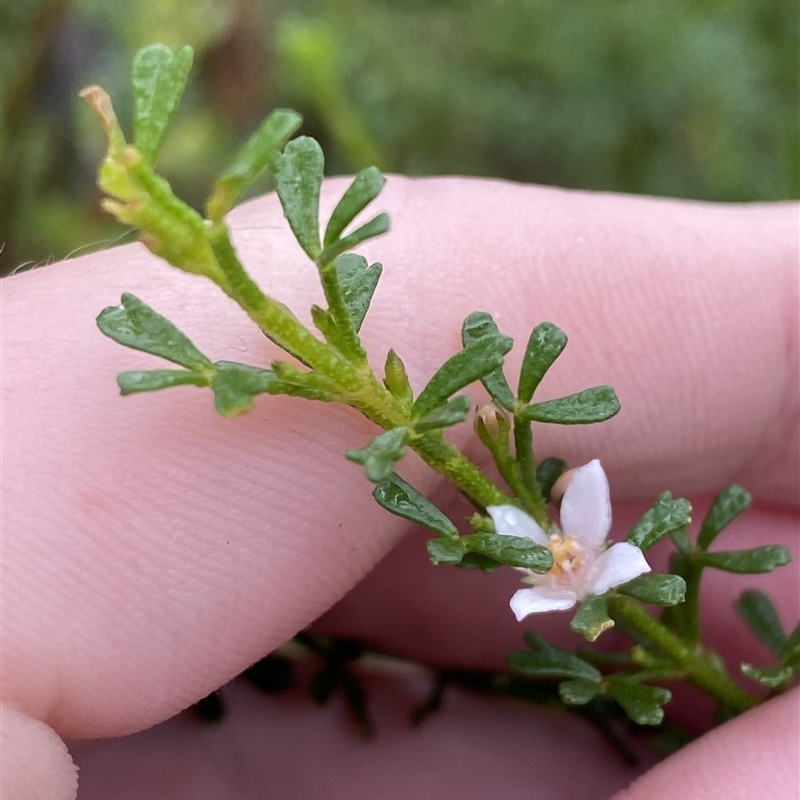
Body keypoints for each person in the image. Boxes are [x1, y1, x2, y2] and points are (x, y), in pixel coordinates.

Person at [2, 177, 798, 799]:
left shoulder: (588, 559)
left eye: (565, 559)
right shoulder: (544, 575)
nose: (562, 559)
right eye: (557, 559)